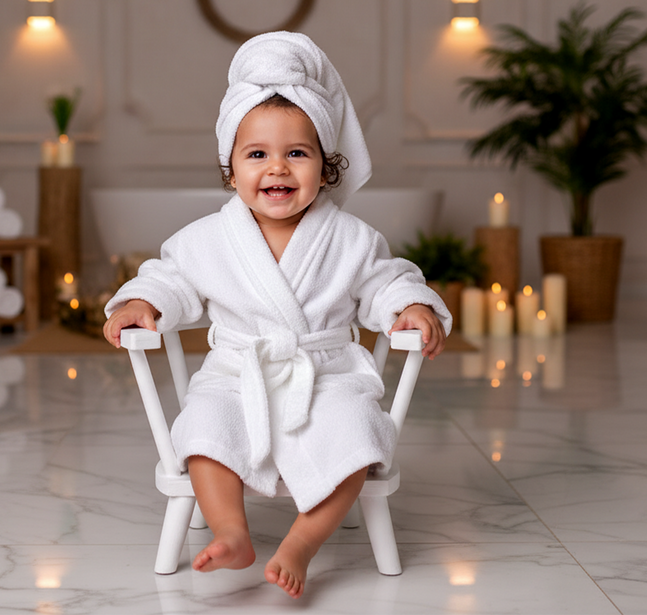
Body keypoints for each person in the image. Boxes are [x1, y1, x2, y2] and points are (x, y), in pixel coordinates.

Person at [103, 32, 451, 599]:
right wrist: (143, 302)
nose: (278, 169)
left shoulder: (350, 238)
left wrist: (409, 306)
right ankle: (231, 530)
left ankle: (303, 542)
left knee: (360, 434)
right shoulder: (209, 239)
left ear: (326, 166)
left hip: (326, 371)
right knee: (202, 428)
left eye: (298, 153)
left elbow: (387, 279)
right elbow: (170, 277)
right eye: (257, 154)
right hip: (238, 373)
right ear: (231, 168)